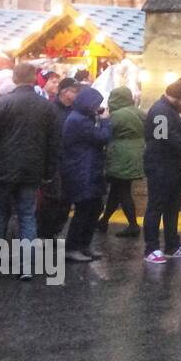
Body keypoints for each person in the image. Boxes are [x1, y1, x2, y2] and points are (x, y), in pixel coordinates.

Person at [0, 63, 59, 273]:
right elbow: (54, 143)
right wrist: (48, 172)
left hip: (1, 171)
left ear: (14, 78)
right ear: (34, 79)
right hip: (32, 171)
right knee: (27, 217)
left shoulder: (1, 104)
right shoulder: (47, 107)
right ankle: (27, 268)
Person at [142, 76, 181, 264]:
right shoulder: (160, 111)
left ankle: (172, 245)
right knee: (156, 207)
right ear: (175, 96)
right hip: (160, 166)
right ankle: (151, 248)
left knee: (172, 207)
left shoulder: (169, 110)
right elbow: (165, 138)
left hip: (172, 167)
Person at [60, 86, 111, 263]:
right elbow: (102, 137)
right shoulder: (78, 120)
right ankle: (72, 247)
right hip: (81, 170)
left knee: (95, 207)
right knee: (85, 209)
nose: (99, 107)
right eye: (96, 103)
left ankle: (84, 245)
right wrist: (105, 121)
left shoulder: (83, 117)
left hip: (88, 168)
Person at [36, 79, 80, 239]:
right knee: (52, 199)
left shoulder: (76, 111)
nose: (77, 95)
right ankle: (44, 232)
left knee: (66, 200)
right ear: (64, 91)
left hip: (71, 161)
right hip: (54, 161)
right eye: (74, 91)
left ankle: (54, 231)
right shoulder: (50, 109)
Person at [100, 86, 144, 238]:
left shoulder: (116, 115)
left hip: (119, 157)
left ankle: (133, 225)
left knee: (122, 191)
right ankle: (104, 220)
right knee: (118, 189)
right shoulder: (139, 112)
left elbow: (105, 133)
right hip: (136, 155)